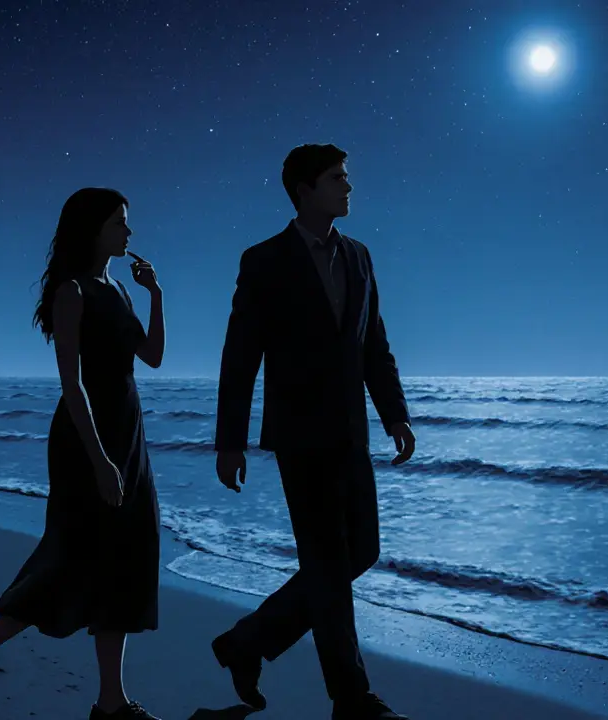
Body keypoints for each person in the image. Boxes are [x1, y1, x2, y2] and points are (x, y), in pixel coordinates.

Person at [0, 188, 166, 720]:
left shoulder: (119, 289)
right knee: (71, 560)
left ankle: (110, 702)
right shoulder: (73, 292)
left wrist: (155, 294)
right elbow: (72, 383)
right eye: (119, 223)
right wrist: (99, 460)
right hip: (86, 440)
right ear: (93, 230)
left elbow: (153, 356)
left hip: (128, 435)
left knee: (128, 556)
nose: (129, 232)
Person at [211, 144, 416, 720]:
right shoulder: (264, 260)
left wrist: (394, 413)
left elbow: (373, 343)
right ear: (305, 190)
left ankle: (247, 641)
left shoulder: (359, 256)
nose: (348, 187)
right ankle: (351, 698)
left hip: (351, 430)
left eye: (346, 178)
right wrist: (230, 440)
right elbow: (240, 354)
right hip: (299, 435)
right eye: (336, 178)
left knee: (361, 551)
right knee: (327, 563)